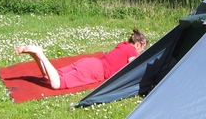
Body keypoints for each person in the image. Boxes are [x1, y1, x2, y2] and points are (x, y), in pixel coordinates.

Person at [15, 28, 148, 90]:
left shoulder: (123, 44)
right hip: (95, 70)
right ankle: (40, 53)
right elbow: (132, 66)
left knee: (48, 77)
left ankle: (36, 55)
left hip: (89, 62)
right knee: (56, 84)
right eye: (143, 48)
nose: (142, 51)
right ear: (138, 44)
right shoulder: (131, 49)